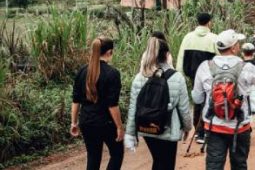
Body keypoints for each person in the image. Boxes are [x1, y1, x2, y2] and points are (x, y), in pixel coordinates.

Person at [192, 29, 255, 170]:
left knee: (213, 166)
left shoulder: (205, 67)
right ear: (233, 48)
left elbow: (197, 97)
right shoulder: (246, 68)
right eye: (238, 42)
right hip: (239, 127)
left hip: (214, 126)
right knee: (239, 165)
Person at [124, 37, 192, 170]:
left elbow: (133, 108)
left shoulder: (140, 77)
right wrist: (188, 128)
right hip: (167, 128)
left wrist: (130, 133)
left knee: (158, 160)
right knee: (167, 164)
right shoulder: (177, 78)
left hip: (147, 128)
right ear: (167, 55)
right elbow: (184, 109)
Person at [71, 36, 124, 170]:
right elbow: (112, 105)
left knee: (93, 157)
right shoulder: (112, 73)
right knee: (117, 154)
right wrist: (119, 126)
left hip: (87, 121)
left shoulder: (82, 71)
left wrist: (74, 122)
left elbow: (76, 100)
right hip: (105, 122)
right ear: (109, 52)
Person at [176, 12, 217, 143]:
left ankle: (198, 131)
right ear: (209, 22)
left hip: (193, 76)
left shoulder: (188, 37)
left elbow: (181, 57)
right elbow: (219, 58)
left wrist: (180, 74)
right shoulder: (214, 38)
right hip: (210, 77)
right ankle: (204, 131)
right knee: (209, 101)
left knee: (197, 101)